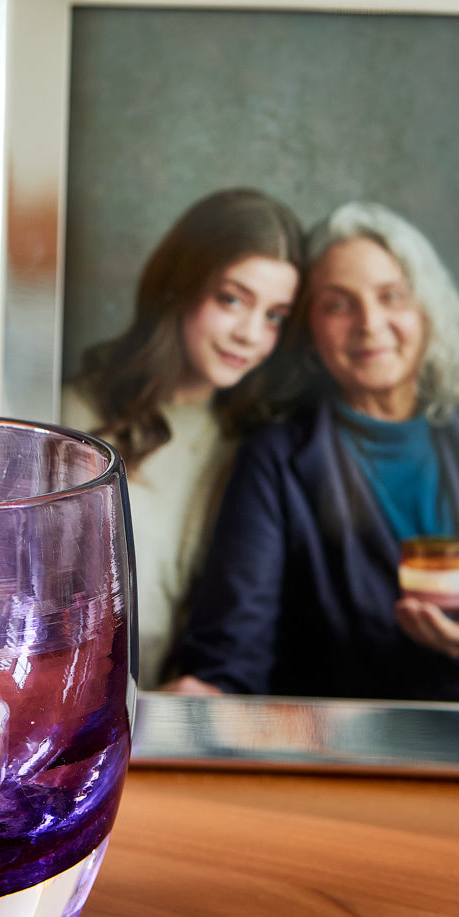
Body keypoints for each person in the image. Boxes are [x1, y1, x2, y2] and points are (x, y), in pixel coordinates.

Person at [172, 201, 459, 703]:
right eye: (337, 304)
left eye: (391, 296)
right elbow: (233, 652)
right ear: (309, 330)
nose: (369, 323)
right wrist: (205, 698)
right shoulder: (274, 457)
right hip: (345, 747)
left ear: (426, 309)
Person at [61, 187, 303, 689]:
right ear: (180, 284)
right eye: (233, 299)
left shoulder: (253, 446)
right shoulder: (70, 419)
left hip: (183, 726)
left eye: (274, 316)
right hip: (75, 723)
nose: (251, 334)